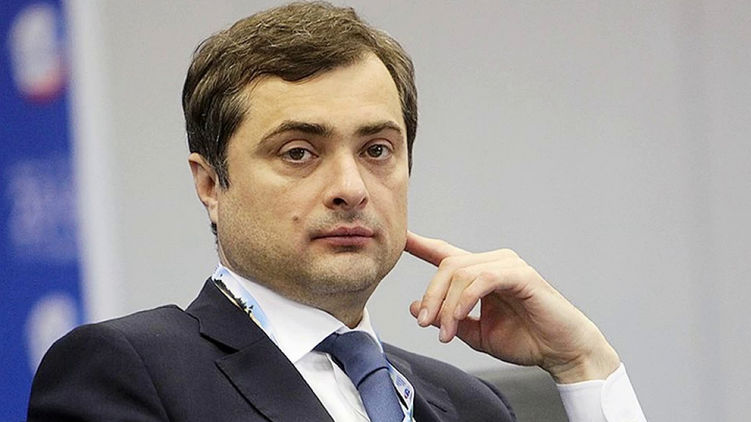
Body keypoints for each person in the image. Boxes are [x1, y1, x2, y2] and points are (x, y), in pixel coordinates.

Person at [28, 2, 646, 421]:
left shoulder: (468, 405)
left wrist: (583, 364)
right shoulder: (128, 371)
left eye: (377, 150)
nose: (351, 188)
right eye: (298, 152)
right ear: (211, 183)